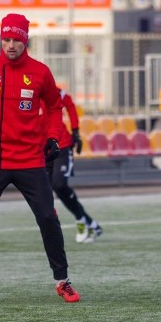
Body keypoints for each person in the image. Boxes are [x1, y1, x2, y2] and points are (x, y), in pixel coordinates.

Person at [0, 13, 79, 304]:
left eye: (16, 40)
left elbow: (54, 105)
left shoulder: (40, 73)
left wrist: (52, 136)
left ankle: (63, 281)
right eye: (6, 39)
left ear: (26, 41)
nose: (11, 45)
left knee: (48, 218)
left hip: (30, 160)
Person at [46, 89, 104, 243]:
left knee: (59, 185)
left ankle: (81, 221)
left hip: (62, 146)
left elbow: (70, 104)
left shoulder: (51, 91)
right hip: (40, 150)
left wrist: (76, 132)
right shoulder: (22, 95)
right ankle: (90, 223)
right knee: (47, 192)